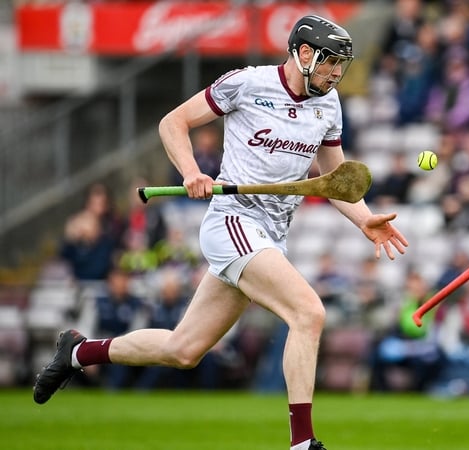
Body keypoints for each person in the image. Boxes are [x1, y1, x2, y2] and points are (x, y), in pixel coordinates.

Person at [32, 15, 408, 450]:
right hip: (233, 222)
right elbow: (173, 122)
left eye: (341, 65)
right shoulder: (247, 83)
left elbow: (333, 180)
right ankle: (303, 443)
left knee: (183, 349)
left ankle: (77, 352)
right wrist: (192, 172)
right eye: (330, 63)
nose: (336, 73)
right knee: (309, 313)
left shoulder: (329, 103)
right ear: (305, 54)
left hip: (270, 234)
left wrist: (365, 220)